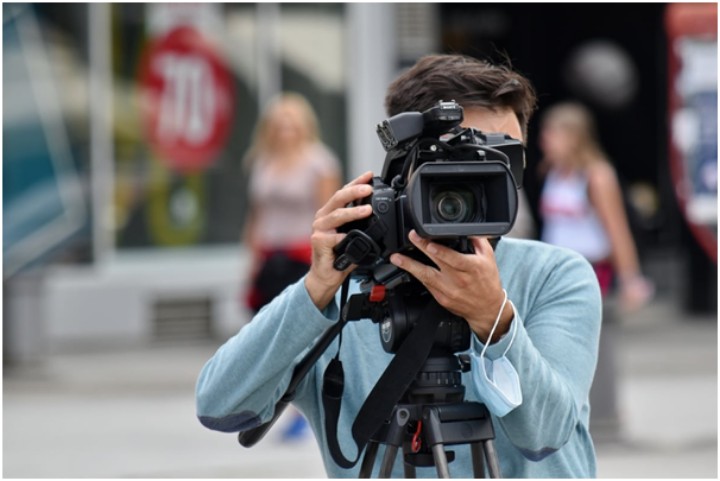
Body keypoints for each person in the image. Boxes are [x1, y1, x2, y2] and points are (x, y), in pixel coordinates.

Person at [197, 55, 602, 478]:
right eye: (469, 155)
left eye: (507, 157)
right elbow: (219, 406)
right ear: (406, 166)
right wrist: (316, 289)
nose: (489, 174)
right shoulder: (348, 291)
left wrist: (493, 318)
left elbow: (546, 433)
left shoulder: (556, 275)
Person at [537, 101, 654, 438]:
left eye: (552, 132)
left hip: (589, 268)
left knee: (595, 341)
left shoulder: (597, 175)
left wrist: (631, 278)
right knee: (558, 341)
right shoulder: (553, 171)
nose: (544, 139)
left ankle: (605, 416)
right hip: (556, 267)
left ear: (574, 136)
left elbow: (616, 229)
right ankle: (573, 410)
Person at [241, 92, 341, 440]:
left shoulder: (319, 162)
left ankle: (300, 411)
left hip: (303, 258)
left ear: (304, 127)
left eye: (292, 124)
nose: (285, 131)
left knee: (302, 338)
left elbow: (328, 215)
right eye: (279, 125)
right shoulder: (261, 161)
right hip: (270, 257)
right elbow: (256, 216)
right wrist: (251, 261)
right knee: (264, 336)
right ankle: (264, 404)